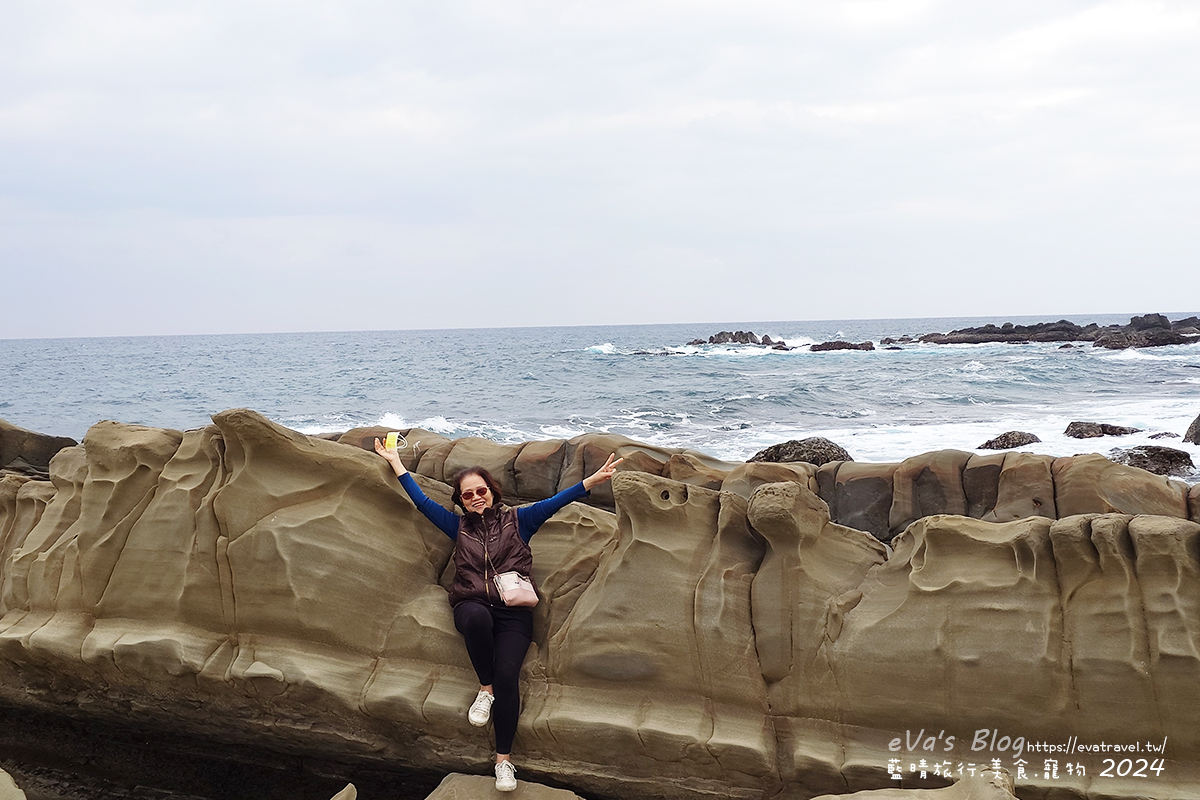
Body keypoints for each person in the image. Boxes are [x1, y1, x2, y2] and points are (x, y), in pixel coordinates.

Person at [374, 438, 622, 792]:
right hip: (472, 605)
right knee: (477, 619)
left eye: (481, 490)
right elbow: (421, 501)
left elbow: (555, 501)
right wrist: (396, 462)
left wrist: (591, 482)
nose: (476, 497)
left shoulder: (519, 521)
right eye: (468, 495)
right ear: (460, 501)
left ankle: (503, 762)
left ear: (492, 491)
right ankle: (484, 689)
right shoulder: (456, 527)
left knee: (510, 678)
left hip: (513, 614)